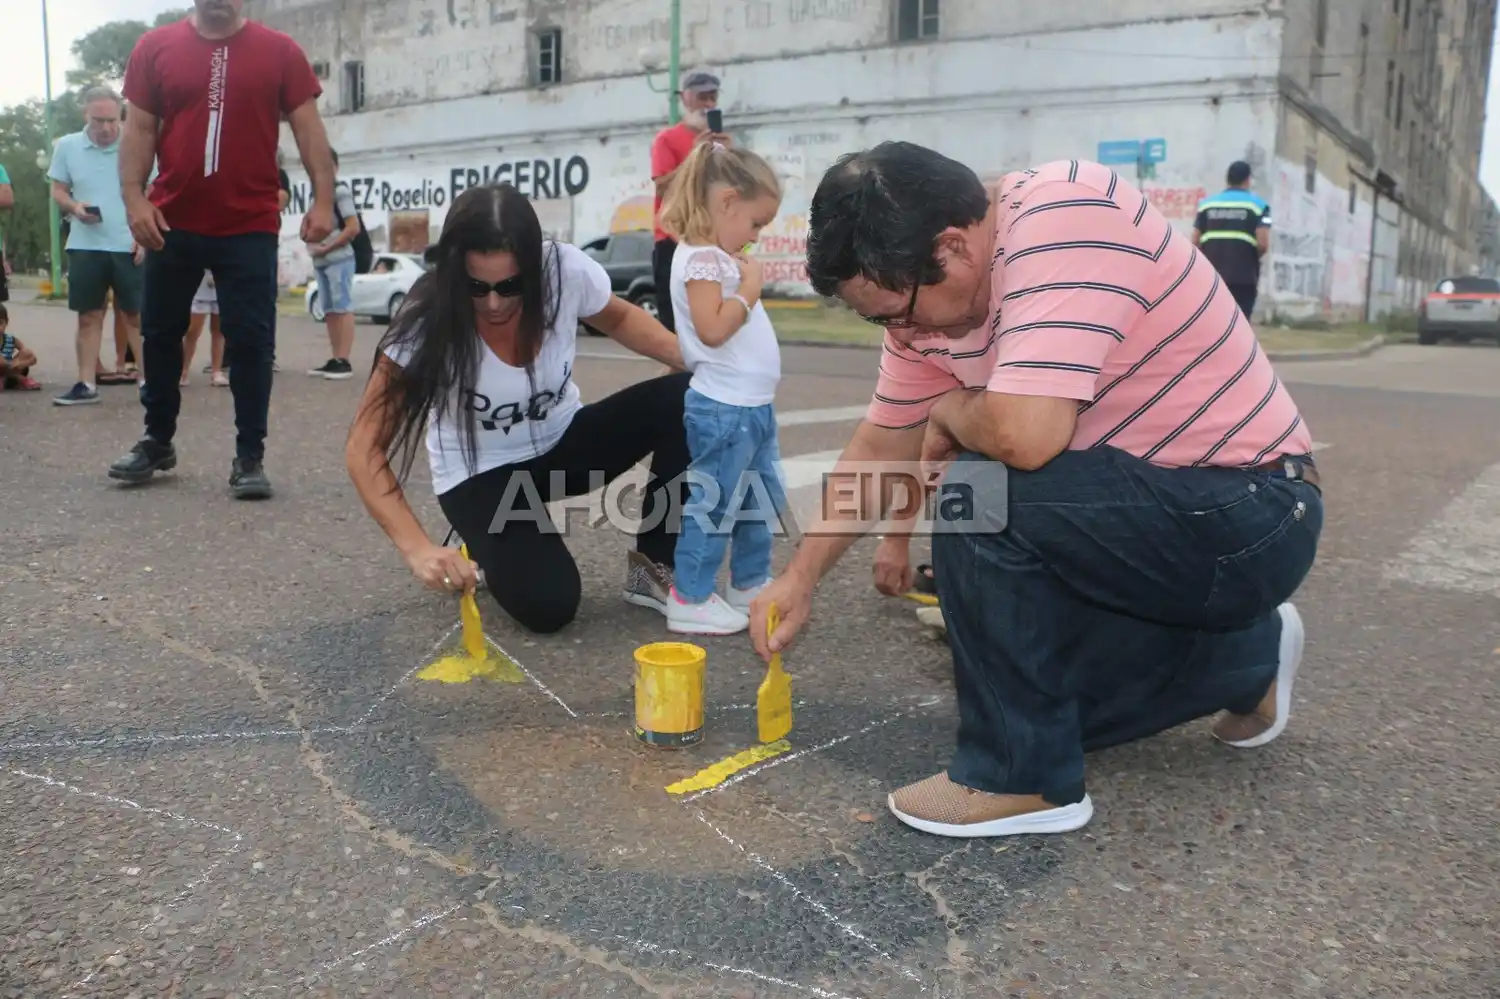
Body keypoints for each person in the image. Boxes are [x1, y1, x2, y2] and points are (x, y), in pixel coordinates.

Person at [749, 142, 1322, 840]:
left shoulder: (1066, 212)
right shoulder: (924, 317)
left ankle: (1022, 777)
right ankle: (1251, 658)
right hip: (1144, 527)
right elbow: (881, 447)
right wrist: (801, 576)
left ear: (953, 246)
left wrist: (948, 410)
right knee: (1046, 696)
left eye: (899, 310)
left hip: (1249, 513)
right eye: (879, 321)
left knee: (979, 491)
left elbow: (1027, 437)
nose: (900, 332)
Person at [345, 183, 690, 634]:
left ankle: (653, 569)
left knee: (693, 395)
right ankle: (482, 539)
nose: (493, 303)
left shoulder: (563, 270)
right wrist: (418, 549)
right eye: (476, 286)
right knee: (551, 606)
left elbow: (619, 317)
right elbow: (363, 449)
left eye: (510, 285)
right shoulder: (426, 318)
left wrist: (698, 361)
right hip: (482, 475)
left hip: (562, 445)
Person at [109, 0, 337, 500]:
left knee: (251, 341)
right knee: (159, 333)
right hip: (172, 219)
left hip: (248, 223)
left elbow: (309, 130)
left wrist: (324, 200)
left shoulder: (280, 52)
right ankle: (157, 439)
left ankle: (249, 456)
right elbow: (139, 128)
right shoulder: (155, 48)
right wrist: (133, 198)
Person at [658, 141, 787, 636]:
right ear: (728, 201)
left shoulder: (719, 256)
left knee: (760, 498)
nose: (756, 236)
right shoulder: (700, 259)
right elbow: (712, 329)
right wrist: (750, 292)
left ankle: (749, 582)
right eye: (755, 223)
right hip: (725, 408)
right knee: (714, 505)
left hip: (751, 407)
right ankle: (689, 597)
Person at [47, 87, 148, 406]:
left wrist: (144, 235)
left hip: (129, 242)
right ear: (85, 115)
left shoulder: (137, 143)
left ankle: (150, 383)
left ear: (122, 116)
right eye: (98, 120)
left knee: (136, 315)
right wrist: (75, 207)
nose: (106, 128)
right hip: (86, 244)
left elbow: (155, 190)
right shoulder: (67, 146)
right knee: (89, 315)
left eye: (112, 120)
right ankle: (86, 384)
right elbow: (58, 190)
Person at [649, 70, 729, 332]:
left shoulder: (720, 145)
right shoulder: (667, 139)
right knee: (674, 329)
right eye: (702, 97)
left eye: (713, 97)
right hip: (674, 240)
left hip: (712, 241)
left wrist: (731, 159)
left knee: (708, 323)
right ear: (685, 99)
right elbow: (663, 188)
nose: (708, 104)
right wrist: (695, 155)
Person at [1192, 161, 1271, 320]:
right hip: (1244, 277)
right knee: (1240, 324)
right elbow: (1263, 243)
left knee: (1213, 323)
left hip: (1211, 278)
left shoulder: (1206, 205)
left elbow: (1195, 242)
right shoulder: (1260, 206)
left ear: (1227, 179)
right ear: (1247, 180)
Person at [306, 148, 360, 380]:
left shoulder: (340, 192)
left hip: (339, 259)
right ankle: (335, 358)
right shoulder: (315, 197)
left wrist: (328, 246)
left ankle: (344, 361)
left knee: (342, 307)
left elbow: (353, 227)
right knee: (329, 311)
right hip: (320, 261)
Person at [184, 273, 228, 387]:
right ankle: (183, 371)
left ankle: (216, 372)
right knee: (193, 331)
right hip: (199, 286)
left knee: (219, 331)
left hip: (222, 285)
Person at [0, 304, 41, 391]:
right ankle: (20, 380)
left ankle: (7, 379)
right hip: (6, 367)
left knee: (26, 352)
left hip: (9, 369)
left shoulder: (11, 340)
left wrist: (20, 363)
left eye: (0, 323)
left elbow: (31, 357)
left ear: (6, 322)